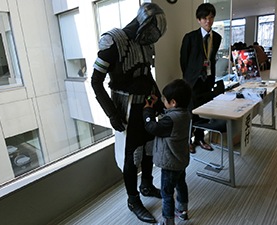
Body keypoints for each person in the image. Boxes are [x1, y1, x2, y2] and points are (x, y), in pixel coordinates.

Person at [91, 3, 167, 224]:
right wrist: (111, 114)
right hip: (126, 109)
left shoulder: (146, 44)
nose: (152, 35)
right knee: (132, 156)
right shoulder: (113, 41)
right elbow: (96, 81)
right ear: (144, 22)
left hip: (146, 105)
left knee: (149, 149)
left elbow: (146, 75)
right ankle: (133, 200)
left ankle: (147, 185)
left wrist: (159, 99)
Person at [143, 79, 192, 225]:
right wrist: (159, 103)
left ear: (174, 102)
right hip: (180, 160)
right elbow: (169, 113)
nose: (164, 101)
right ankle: (182, 211)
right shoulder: (185, 113)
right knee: (181, 185)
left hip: (170, 164)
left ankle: (167, 221)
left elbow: (152, 127)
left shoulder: (170, 120)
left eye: (165, 100)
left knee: (167, 194)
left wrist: (147, 111)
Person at [180, 3, 221, 153]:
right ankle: (188, 141)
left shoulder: (217, 37)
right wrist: (190, 77)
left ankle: (199, 138)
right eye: (204, 18)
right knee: (190, 112)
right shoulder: (190, 37)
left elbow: (212, 57)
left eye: (211, 17)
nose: (208, 21)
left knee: (204, 112)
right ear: (199, 20)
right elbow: (183, 61)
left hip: (208, 80)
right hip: (192, 82)